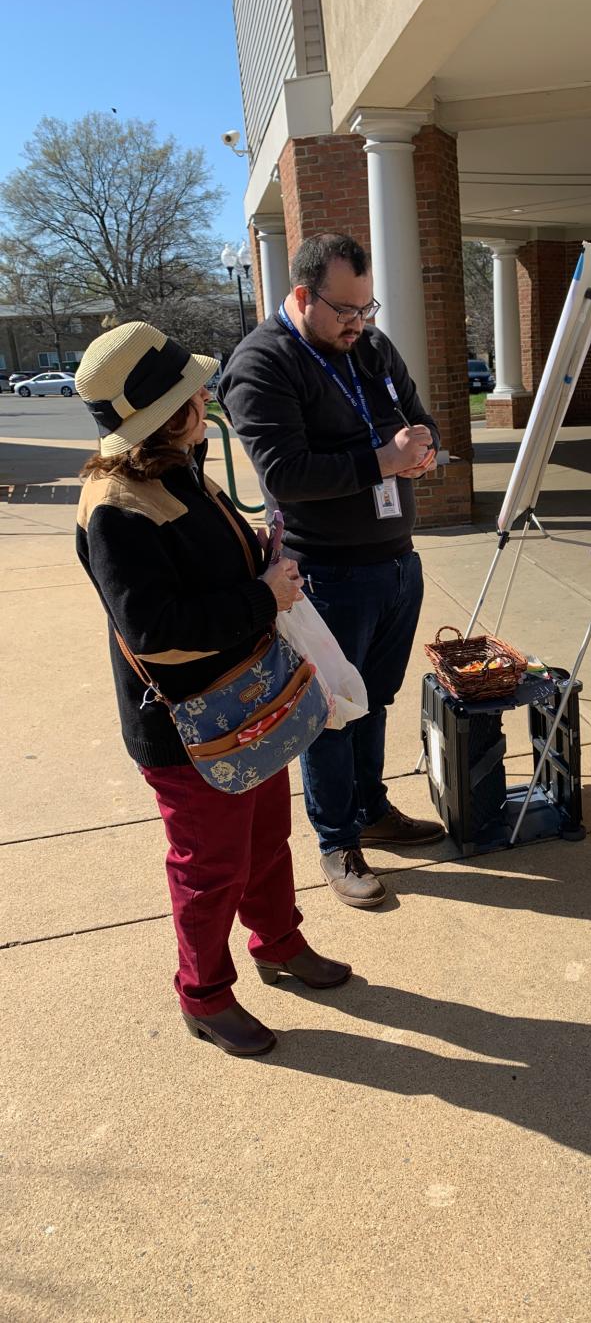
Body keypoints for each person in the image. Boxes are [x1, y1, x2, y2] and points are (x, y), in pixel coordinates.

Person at [75, 321, 353, 1057]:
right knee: (209, 868)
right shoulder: (117, 504)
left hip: (244, 701)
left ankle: (279, 943)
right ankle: (203, 995)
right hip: (188, 727)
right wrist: (263, 595)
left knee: (265, 839)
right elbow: (154, 630)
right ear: (168, 412)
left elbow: (195, 574)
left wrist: (255, 561)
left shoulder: (173, 465)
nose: (208, 397)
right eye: (194, 391)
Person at [219, 233, 445, 910]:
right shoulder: (262, 363)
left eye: (366, 308)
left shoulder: (370, 346)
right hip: (325, 573)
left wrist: (422, 445)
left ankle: (370, 808)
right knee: (330, 713)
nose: (358, 323)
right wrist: (383, 461)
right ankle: (337, 840)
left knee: (373, 698)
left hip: (394, 562)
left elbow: (416, 414)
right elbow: (285, 472)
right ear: (302, 295)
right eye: (345, 310)